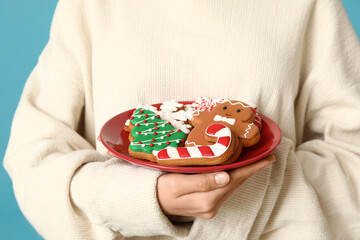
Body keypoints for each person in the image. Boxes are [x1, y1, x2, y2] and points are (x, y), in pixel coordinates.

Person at [3, 0, 360, 239]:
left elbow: (354, 154)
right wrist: (137, 199)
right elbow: (33, 159)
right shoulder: (89, 7)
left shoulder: (310, 6)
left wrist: (250, 195)